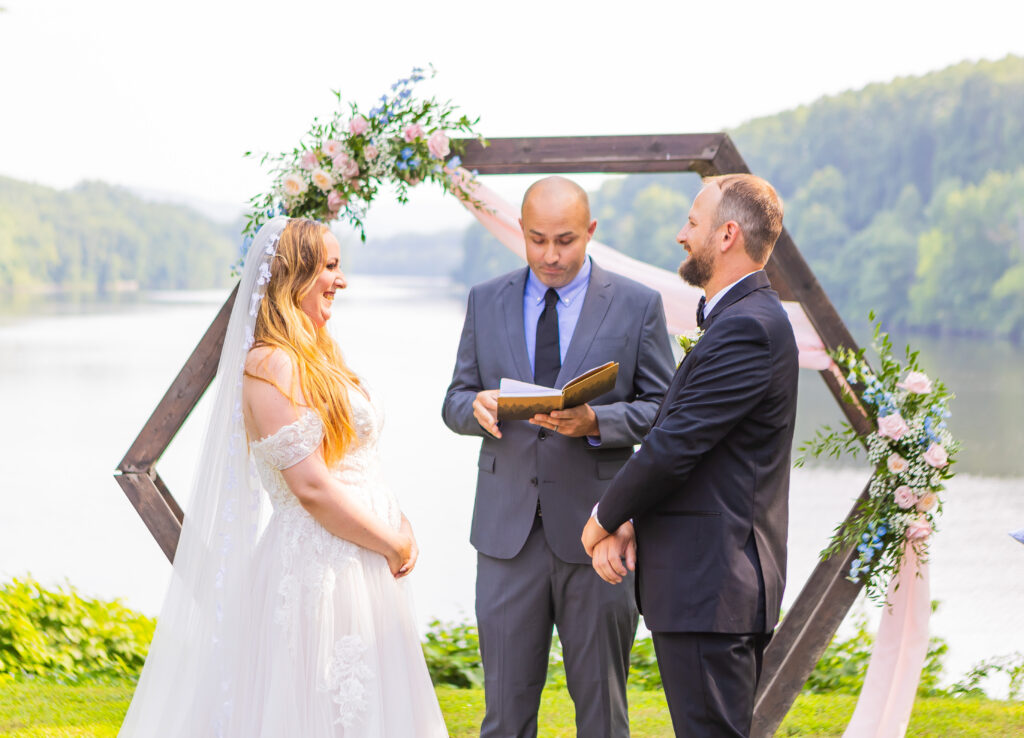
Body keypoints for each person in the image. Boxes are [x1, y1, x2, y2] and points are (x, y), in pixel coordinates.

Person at [119, 217, 447, 737]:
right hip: (319, 567)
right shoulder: (271, 364)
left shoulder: (319, 353)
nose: (341, 281)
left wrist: (396, 519)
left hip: (360, 557)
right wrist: (393, 543)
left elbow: (352, 460)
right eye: (331, 267)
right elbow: (311, 487)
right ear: (294, 274)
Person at [442, 176, 675, 737]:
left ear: (591, 231)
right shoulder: (485, 299)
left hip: (599, 534)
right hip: (505, 539)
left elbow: (667, 410)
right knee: (504, 717)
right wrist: (473, 406)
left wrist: (596, 421)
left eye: (566, 240)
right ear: (520, 232)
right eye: (537, 239)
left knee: (602, 715)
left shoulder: (638, 304)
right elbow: (453, 401)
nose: (550, 255)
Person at [582, 174, 798, 737]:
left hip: (712, 587)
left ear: (727, 235)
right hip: (707, 586)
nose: (682, 235)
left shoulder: (747, 328)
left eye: (693, 223)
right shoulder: (740, 319)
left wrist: (603, 517)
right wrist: (636, 520)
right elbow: (695, 448)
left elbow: (674, 446)